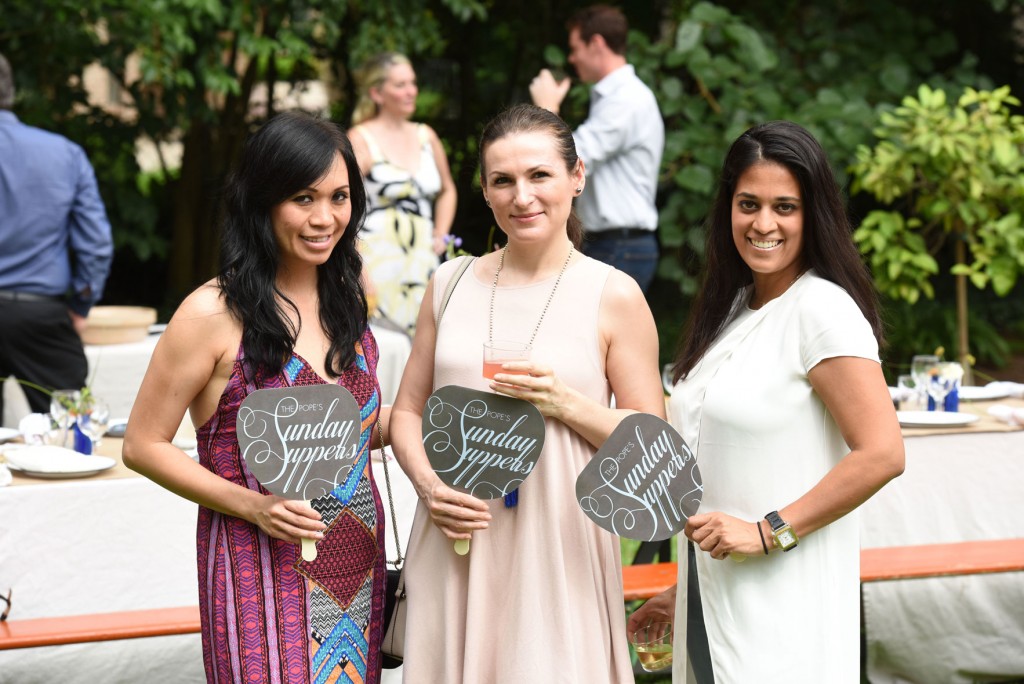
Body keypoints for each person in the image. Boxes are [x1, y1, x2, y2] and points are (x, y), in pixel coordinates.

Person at [389, 103, 664, 682]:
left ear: (576, 176)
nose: (523, 196)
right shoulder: (449, 282)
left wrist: (567, 405)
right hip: (457, 535)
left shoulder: (613, 293)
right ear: (485, 192)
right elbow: (408, 411)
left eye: (540, 175)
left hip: (557, 545)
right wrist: (430, 486)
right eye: (503, 181)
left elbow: (652, 442)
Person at [627, 121, 905, 683]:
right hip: (713, 596)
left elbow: (882, 452)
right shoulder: (733, 310)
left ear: (813, 215)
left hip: (786, 608)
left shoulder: (821, 311)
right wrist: (685, 591)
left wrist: (766, 531)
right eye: (748, 203)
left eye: (785, 207)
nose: (763, 224)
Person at [123, 111, 390, 682]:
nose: (325, 218)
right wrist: (255, 506)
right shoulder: (212, 314)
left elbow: (358, 427)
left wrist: (442, 422)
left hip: (356, 570)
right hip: (259, 569)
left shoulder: (347, 301)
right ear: (261, 201)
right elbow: (143, 444)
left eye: (340, 196)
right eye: (302, 197)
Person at [0, 52, 113, 416]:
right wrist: (81, 303)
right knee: (72, 431)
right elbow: (95, 245)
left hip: (37, 311)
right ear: (11, 91)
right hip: (40, 315)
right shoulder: (64, 154)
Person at [530, 4, 663, 294]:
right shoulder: (617, 97)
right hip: (615, 244)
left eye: (575, 47)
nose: (571, 57)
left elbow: (566, 159)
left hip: (620, 246)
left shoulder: (627, 99)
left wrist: (547, 107)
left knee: (595, 338)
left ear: (597, 43)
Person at [349, 52, 458, 336]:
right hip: (376, 261)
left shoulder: (426, 135)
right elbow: (342, 201)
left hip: (422, 259)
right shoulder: (361, 139)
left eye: (412, 83)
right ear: (376, 92)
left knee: (425, 340)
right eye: (400, 85)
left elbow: (447, 189)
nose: (411, 91)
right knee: (382, 343)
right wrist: (357, 267)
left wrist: (441, 234)